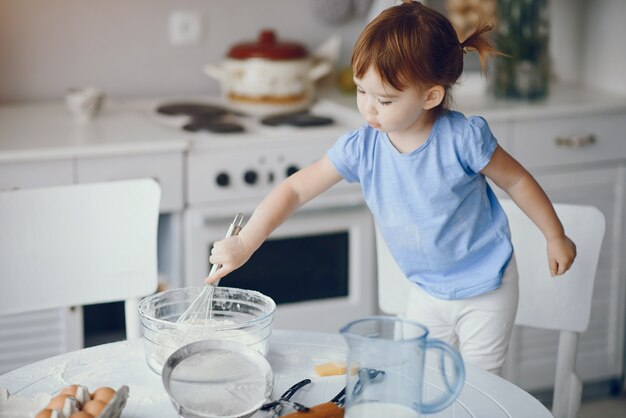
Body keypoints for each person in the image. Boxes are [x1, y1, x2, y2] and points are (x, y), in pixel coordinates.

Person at [205, 0, 576, 375]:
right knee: (424, 384)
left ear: (431, 96)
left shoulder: (462, 138)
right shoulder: (361, 146)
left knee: (481, 385)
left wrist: (554, 234)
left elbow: (516, 179)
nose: (368, 109)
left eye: (384, 99)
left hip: (486, 286)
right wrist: (246, 242)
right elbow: (296, 190)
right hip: (427, 292)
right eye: (361, 91)